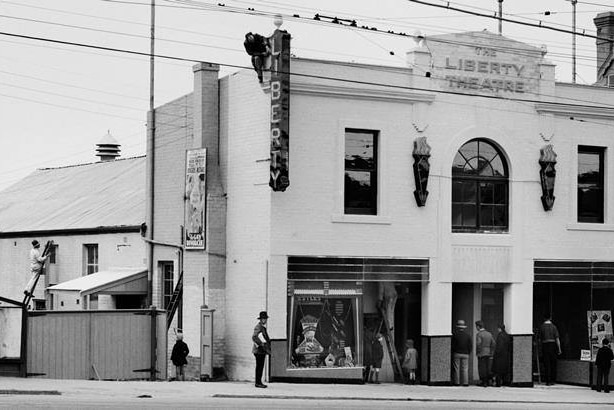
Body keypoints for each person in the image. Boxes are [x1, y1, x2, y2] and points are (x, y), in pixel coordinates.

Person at [538, 314, 561, 386]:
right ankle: (552, 380)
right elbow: (557, 339)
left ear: (544, 318)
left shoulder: (542, 327)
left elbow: (539, 339)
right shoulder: (554, 327)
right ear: (550, 318)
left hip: (545, 345)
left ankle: (547, 381)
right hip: (553, 345)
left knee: (546, 363)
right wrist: (559, 348)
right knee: (553, 363)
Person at [252, 311, 271, 388]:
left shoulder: (262, 327)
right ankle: (258, 382)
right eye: (264, 319)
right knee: (259, 366)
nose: (265, 320)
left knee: (260, 366)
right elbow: (254, 337)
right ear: (261, 319)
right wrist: (261, 344)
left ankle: (259, 382)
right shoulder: (258, 327)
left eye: (265, 319)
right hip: (258, 350)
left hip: (261, 351)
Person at [451, 319, 472, 386]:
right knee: (465, 368)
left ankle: (457, 382)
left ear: (457, 327)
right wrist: (468, 352)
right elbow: (470, 345)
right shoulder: (467, 335)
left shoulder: (455, 335)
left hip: (457, 353)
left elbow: (453, 345)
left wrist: (453, 351)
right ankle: (465, 383)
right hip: (465, 353)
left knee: (456, 368)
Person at [475, 320, 495, 387]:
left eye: (476, 326)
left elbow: (479, 344)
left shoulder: (479, 334)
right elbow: (493, 343)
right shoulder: (489, 334)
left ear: (478, 326)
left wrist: (478, 352)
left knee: (481, 368)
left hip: (481, 353)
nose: (476, 328)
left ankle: (483, 382)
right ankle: (488, 381)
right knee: (487, 367)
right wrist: (491, 351)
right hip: (488, 352)